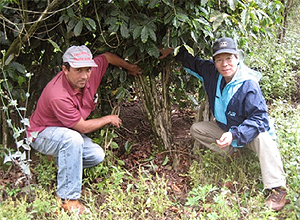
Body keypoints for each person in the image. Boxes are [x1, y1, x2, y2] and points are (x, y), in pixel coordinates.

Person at [159, 37, 287, 211]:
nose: (224, 64)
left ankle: (277, 188)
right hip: (226, 128)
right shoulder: (213, 73)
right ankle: (234, 152)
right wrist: (173, 53)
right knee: (197, 129)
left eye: (228, 58)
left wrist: (235, 134)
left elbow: (260, 119)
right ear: (215, 62)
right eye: (219, 59)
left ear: (237, 59)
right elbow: (194, 63)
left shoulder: (248, 84)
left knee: (264, 138)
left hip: (250, 132)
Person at [27, 45, 142, 214]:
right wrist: (108, 118)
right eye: (78, 70)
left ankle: (62, 167)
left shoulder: (89, 75)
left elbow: (107, 57)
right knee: (73, 140)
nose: (84, 75)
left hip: (66, 132)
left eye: (87, 70)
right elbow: (82, 127)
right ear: (65, 69)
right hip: (42, 134)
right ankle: (67, 199)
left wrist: (130, 68)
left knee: (96, 155)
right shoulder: (57, 94)